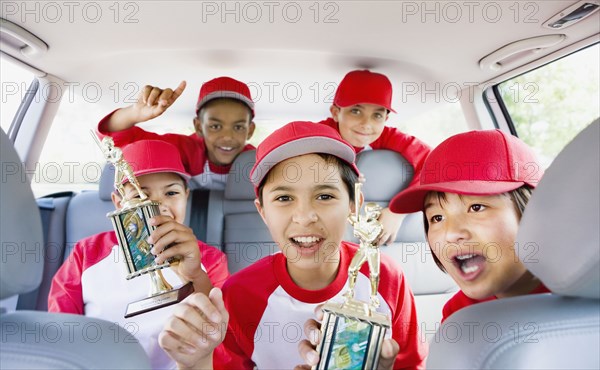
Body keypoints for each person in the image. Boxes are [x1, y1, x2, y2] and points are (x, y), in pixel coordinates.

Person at [159, 121, 427, 369]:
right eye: (284, 198)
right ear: (262, 211)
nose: (305, 216)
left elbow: (412, 363)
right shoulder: (238, 296)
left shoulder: (387, 278)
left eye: (324, 195)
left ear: (354, 204)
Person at [48, 139, 230, 369]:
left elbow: (219, 338)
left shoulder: (210, 259)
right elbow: (61, 331)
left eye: (171, 193)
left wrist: (194, 277)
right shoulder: (86, 253)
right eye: (138, 196)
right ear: (117, 203)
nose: (156, 206)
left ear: (186, 196)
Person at [388, 129, 549, 322]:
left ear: (533, 211)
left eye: (476, 207)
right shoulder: (459, 316)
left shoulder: (586, 294)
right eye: (437, 218)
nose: (451, 233)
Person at [318, 69, 432, 246]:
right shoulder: (318, 134)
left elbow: (435, 164)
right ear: (335, 112)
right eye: (356, 111)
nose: (367, 124)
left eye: (377, 115)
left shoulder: (387, 136)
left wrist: (397, 211)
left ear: (386, 118)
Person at [97, 77, 256, 190]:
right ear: (199, 127)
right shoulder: (184, 149)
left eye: (238, 127)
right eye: (215, 126)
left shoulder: (256, 161)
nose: (227, 137)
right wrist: (134, 113)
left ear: (250, 131)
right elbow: (116, 145)